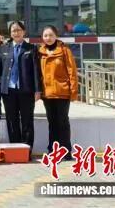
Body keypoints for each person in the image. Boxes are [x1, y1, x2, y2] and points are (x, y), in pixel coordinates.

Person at [0, 20, 41, 151]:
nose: (16, 33)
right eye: (13, 31)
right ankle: (14, 149)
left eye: (19, 30)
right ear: (10, 33)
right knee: (11, 120)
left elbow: (36, 70)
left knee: (27, 120)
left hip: (26, 90)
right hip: (8, 91)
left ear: (24, 32)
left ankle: (26, 150)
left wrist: (37, 90)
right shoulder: (4, 48)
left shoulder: (31, 48)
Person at [39, 25, 78, 156]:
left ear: (56, 36)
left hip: (62, 92)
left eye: (51, 35)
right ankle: (53, 150)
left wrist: (73, 91)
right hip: (47, 93)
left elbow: (72, 71)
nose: (48, 38)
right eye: (45, 35)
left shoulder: (64, 50)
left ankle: (66, 151)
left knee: (63, 122)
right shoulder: (40, 52)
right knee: (52, 123)